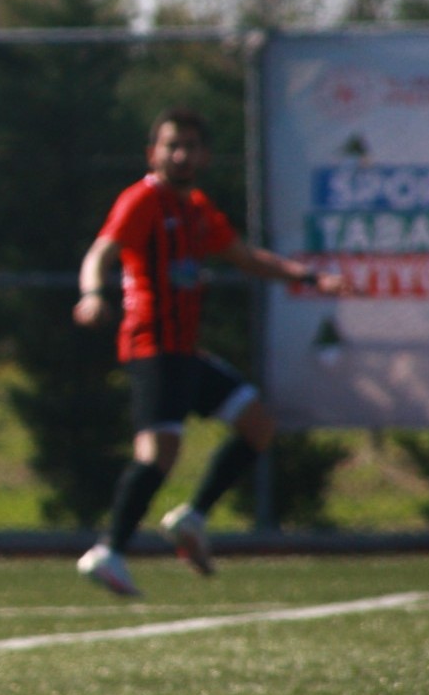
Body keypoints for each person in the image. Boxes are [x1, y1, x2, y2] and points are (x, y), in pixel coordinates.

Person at [72, 107, 344, 596]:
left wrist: (306, 276)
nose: (180, 154)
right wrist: (92, 294)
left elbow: (245, 257)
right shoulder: (141, 201)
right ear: (152, 152)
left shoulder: (197, 209)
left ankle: (191, 518)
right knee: (159, 451)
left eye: (190, 146)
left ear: (204, 154)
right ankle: (108, 551)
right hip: (153, 346)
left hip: (186, 352)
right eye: (171, 145)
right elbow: (100, 253)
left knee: (257, 424)